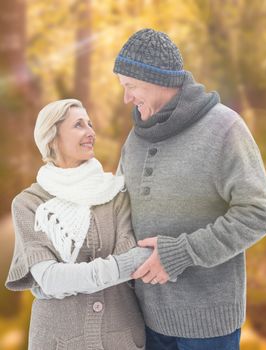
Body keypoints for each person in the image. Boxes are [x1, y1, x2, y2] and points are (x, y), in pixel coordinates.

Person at [113, 28, 266, 349]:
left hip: (207, 325)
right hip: (145, 317)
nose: (126, 98)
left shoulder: (224, 128)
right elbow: (119, 208)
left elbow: (258, 214)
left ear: (158, 81)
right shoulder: (135, 139)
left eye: (131, 87)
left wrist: (180, 254)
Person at [5, 99, 154, 349]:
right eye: (78, 125)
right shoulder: (29, 204)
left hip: (119, 336)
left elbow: (134, 261)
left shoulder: (115, 193)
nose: (90, 132)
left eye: (90, 124)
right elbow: (50, 278)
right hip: (57, 339)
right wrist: (55, 282)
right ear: (53, 138)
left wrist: (64, 282)